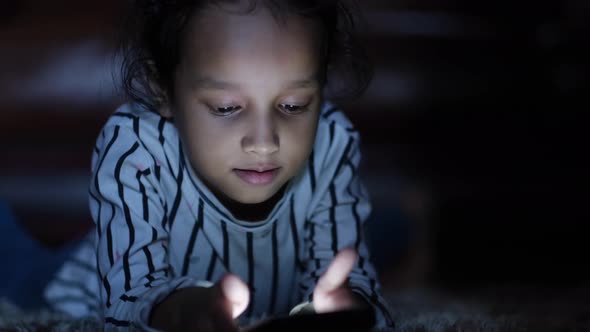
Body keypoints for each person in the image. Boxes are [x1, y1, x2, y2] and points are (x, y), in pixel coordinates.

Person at [44, 0, 394, 330]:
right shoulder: (135, 146)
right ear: (161, 87)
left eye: (293, 105)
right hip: (89, 275)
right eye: (226, 107)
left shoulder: (332, 142)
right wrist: (184, 309)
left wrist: (348, 307)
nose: (263, 142)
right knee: (21, 267)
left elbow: (355, 288)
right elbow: (127, 302)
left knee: (386, 235)